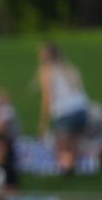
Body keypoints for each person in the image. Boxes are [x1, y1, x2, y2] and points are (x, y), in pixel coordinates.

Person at [37, 41, 89, 174]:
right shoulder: (70, 68)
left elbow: (47, 98)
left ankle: (67, 170)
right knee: (74, 144)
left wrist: (43, 124)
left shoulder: (47, 71)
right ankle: (74, 168)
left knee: (62, 147)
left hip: (65, 113)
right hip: (82, 110)